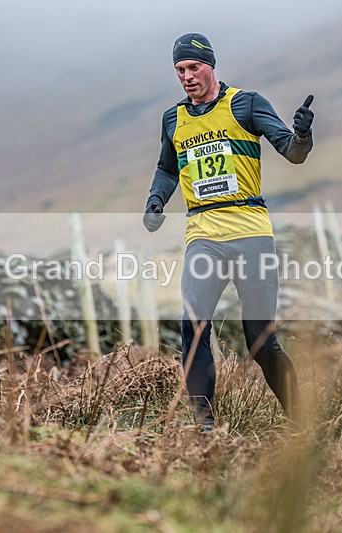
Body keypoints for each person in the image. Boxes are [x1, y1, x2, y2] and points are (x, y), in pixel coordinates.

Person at [143, 32, 314, 429]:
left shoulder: (246, 103)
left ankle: (302, 425)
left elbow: (293, 152)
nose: (187, 76)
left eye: (194, 67)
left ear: (211, 65)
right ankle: (204, 427)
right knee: (193, 328)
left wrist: (303, 135)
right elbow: (167, 168)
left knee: (260, 342)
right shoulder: (173, 119)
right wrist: (156, 199)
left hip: (251, 233)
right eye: (180, 70)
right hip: (203, 236)